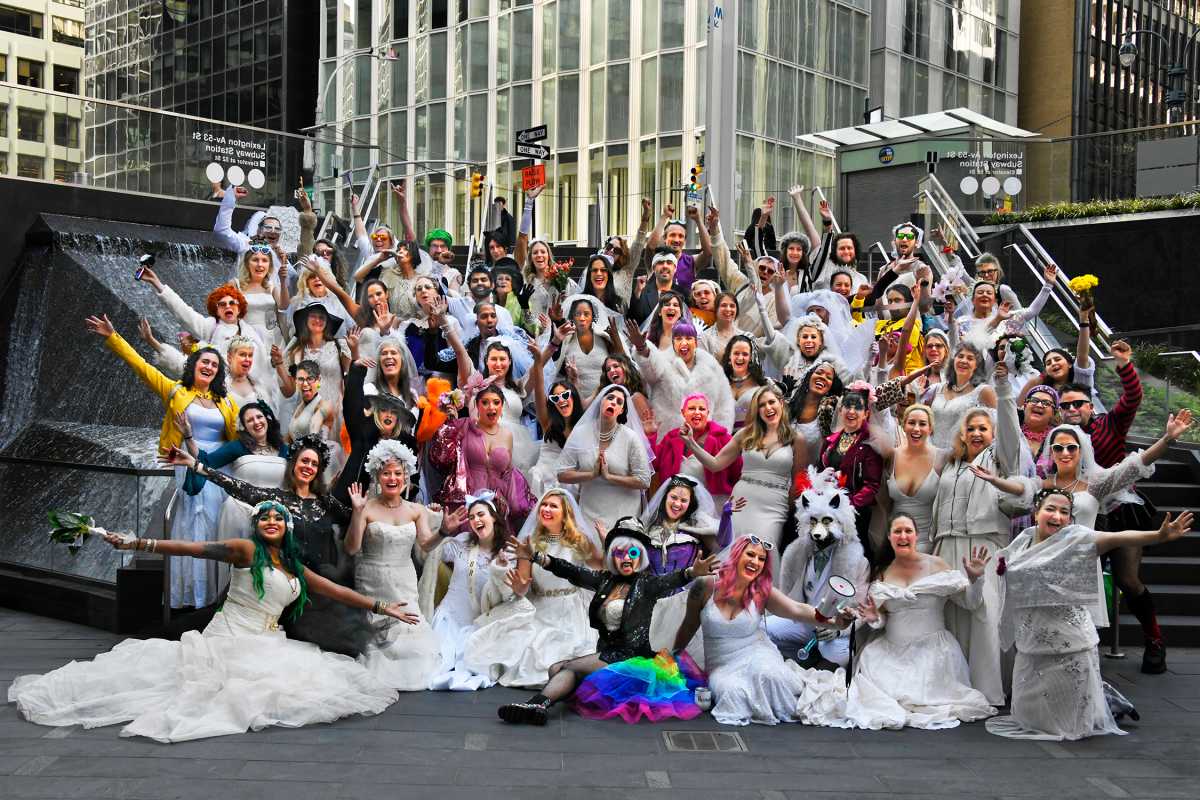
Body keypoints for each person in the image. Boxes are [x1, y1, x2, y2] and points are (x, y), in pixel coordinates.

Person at [8, 501, 415, 743]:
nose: (270, 521)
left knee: (307, 685)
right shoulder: (243, 550)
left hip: (270, 643)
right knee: (210, 691)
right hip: (229, 640)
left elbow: (333, 589)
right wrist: (139, 543)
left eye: (277, 517)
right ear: (255, 525)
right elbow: (194, 548)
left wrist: (382, 607)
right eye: (264, 517)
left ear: (286, 528)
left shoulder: (291, 564)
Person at [987, 493, 1194, 740]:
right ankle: (1106, 699)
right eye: (1051, 509)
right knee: (1030, 718)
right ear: (1036, 512)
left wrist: (1158, 536)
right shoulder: (1023, 540)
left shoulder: (1076, 538)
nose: (1057, 516)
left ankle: (1105, 703)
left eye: (1064, 512)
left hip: (1070, 645)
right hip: (1032, 646)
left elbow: (1117, 537)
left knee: (1067, 725)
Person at [165, 436, 381, 658]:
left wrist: (362, 510)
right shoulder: (276, 499)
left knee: (341, 643)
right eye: (304, 461)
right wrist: (195, 465)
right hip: (279, 582)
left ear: (319, 470)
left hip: (316, 588)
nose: (308, 467)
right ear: (294, 464)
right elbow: (238, 487)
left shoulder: (326, 502)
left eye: (314, 464)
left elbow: (361, 525)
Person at [498, 518, 717, 725]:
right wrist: (535, 556)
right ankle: (544, 705)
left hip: (631, 656)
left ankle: (535, 706)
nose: (627, 558)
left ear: (641, 556)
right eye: (620, 553)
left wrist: (691, 572)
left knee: (567, 668)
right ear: (613, 556)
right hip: (606, 652)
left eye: (633, 552)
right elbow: (569, 570)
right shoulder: (604, 580)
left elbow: (672, 580)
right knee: (555, 668)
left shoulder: (647, 584)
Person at [86, 314, 238, 608]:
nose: (208, 367)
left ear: (218, 372)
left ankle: (220, 595)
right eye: (203, 362)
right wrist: (112, 336)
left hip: (217, 467)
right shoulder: (176, 391)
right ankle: (193, 596)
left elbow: (235, 439)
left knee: (217, 525)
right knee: (192, 524)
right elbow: (141, 367)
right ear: (193, 366)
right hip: (186, 462)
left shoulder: (226, 402)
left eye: (214, 365)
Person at [800, 514, 996, 731]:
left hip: (933, 653)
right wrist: (875, 619)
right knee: (869, 698)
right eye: (897, 531)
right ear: (890, 538)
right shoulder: (882, 572)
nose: (903, 536)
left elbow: (970, 602)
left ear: (916, 536)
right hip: (890, 654)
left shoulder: (937, 564)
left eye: (908, 531)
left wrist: (976, 579)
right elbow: (879, 617)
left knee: (927, 700)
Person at [1058, 341, 1164, 673]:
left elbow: (1132, 399)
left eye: (1079, 403)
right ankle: (1075, 645)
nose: (1072, 409)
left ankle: (1154, 640)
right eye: (1066, 405)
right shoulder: (1059, 434)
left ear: (1091, 406)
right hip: (1076, 509)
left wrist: (1124, 366)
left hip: (1117, 507)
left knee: (1128, 579)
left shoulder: (1110, 425)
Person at [671, 535, 851, 726]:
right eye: (750, 554)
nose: (755, 562)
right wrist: (674, 656)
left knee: (769, 675)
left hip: (755, 651)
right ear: (736, 555)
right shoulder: (705, 586)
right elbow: (688, 625)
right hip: (722, 663)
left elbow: (797, 610)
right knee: (733, 695)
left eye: (761, 559)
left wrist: (836, 623)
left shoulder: (761, 591)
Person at [928, 408, 1015, 706]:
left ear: (993, 434)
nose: (977, 433)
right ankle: (955, 684)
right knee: (951, 616)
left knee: (983, 614)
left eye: (983, 428)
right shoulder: (951, 464)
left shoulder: (997, 460)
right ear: (962, 434)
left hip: (983, 545)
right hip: (947, 545)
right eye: (971, 428)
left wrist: (1002, 390)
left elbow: (1011, 437)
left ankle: (986, 688)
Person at [343, 441, 443, 691]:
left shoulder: (416, 510)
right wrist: (356, 513)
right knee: (375, 647)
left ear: (406, 477)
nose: (392, 478)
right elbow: (352, 548)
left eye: (398, 473)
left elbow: (426, 545)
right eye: (387, 472)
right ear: (377, 475)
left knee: (415, 646)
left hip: (403, 579)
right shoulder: (366, 507)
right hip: (371, 579)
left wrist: (445, 531)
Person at [422, 492, 538, 690]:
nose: (476, 520)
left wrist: (504, 571)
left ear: (493, 517)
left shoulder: (510, 551)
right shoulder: (462, 541)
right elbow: (429, 552)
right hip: (449, 619)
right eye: (472, 517)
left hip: (480, 624)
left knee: (473, 665)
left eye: (481, 514)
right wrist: (441, 530)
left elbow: (515, 593)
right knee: (434, 667)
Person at [500, 488, 603, 687]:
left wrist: (607, 541)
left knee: (576, 653)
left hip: (573, 607)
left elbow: (602, 569)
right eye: (543, 505)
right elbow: (523, 585)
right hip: (541, 606)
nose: (546, 509)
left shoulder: (580, 541)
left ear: (565, 514)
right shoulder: (529, 543)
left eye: (553, 506)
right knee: (533, 653)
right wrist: (519, 587)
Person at [682, 385, 805, 550]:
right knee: (735, 551)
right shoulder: (745, 434)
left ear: (781, 403)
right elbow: (715, 464)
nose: (768, 408)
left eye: (771, 402)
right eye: (762, 405)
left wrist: (787, 509)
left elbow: (799, 482)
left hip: (775, 507)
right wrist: (690, 442)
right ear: (757, 411)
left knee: (763, 552)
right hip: (742, 502)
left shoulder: (797, 439)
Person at [179, 401, 289, 544]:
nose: (256, 422)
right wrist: (188, 436)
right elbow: (206, 461)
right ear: (244, 427)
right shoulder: (237, 447)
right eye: (250, 420)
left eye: (259, 417)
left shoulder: (283, 449)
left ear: (267, 419)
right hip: (240, 515)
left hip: (276, 517)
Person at [557, 384, 653, 533]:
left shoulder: (630, 437)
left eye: (619, 402)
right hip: (589, 511)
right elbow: (562, 474)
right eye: (610, 398)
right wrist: (591, 474)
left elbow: (644, 480)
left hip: (623, 512)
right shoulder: (580, 432)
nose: (614, 402)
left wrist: (609, 476)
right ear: (600, 401)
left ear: (621, 411)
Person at [628, 319, 735, 434]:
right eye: (679, 339)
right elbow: (651, 366)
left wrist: (719, 438)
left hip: (704, 441)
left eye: (689, 338)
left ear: (696, 342)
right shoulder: (662, 363)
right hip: (668, 439)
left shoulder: (712, 367)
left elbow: (724, 407)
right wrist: (642, 347)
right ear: (673, 343)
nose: (684, 342)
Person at [819, 384, 884, 562]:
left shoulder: (870, 444)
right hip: (827, 513)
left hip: (855, 515)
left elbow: (872, 485)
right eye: (848, 406)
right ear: (840, 410)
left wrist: (848, 507)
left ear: (866, 413)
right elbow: (819, 474)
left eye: (858, 407)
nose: (852, 411)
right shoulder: (829, 442)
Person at [879, 404, 947, 553]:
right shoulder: (891, 457)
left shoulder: (942, 458)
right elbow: (884, 504)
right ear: (904, 426)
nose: (916, 429)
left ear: (930, 428)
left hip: (929, 543)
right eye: (911, 423)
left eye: (922, 424)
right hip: (896, 542)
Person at [652, 393, 742, 505]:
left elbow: (738, 472)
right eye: (691, 408)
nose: (697, 412)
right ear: (683, 412)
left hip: (714, 505)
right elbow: (652, 464)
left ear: (708, 413)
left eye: (702, 409)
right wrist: (650, 435)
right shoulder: (671, 437)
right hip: (677, 504)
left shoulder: (723, 438)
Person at [927, 343, 997, 450]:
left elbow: (997, 427)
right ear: (954, 360)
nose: (964, 361)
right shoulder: (939, 388)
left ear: (976, 365)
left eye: (970, 358)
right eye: (960, 356)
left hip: (959, 457)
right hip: (931, 453)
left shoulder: (984, 391)